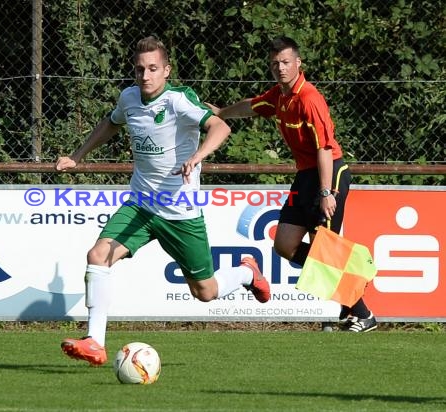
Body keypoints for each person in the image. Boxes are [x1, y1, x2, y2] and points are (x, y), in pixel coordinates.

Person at [55, 35, 271, 366]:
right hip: (140, 205)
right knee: (97, 256)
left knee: (205, 292)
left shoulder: (179, 100)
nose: (146, 76)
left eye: (153, 69)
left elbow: (220, 126)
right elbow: (110, 124)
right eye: (140, 69)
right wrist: (77, 156)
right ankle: (94, 341)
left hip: (180, 213)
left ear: (166, 70)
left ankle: (246, 274)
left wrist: (197, 156)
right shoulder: (128, 98)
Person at [206, 36, 377, 333]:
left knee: (325, 249)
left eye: (285, 62)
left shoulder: (309, 98)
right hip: (306, 176)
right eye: (275, 63)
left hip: (330, 171)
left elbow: (324, 148)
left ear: (298, 63)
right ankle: (352, 284)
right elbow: (252, 106)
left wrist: (326, 192)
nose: (280, 68)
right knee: (285, 245)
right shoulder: (279, 96)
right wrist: (222, 112)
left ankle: (362, 314)